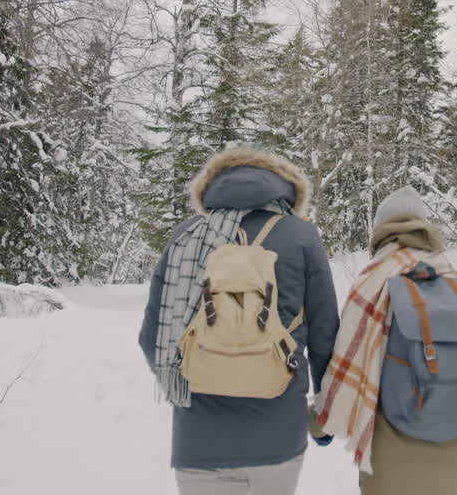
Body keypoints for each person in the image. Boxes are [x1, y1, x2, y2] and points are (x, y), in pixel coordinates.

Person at [139, 146, 340, 495]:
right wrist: (326, 413)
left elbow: (152, 337)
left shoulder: (186, 236)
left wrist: (186, 386)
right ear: (285, 189)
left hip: (199, 438)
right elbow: (325, 336)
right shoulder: (301, 236)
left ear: (209, 189)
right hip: (278, 432)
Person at [313, 186, 457, 495]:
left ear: (380, 231)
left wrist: (318, 422)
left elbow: (345, 368)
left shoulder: (374, 282)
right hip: (455, 463)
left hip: (390, 463)